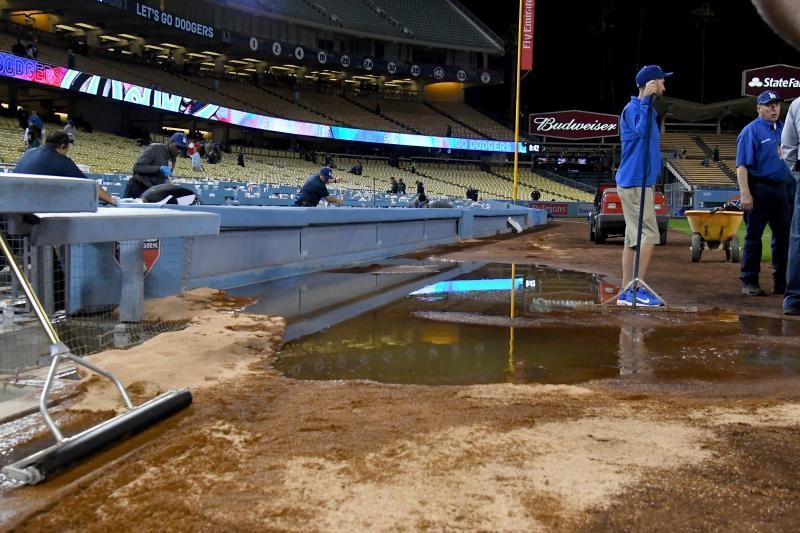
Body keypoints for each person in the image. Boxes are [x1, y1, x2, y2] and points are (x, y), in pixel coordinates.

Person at [614, 64, 671, 307]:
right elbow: (640, 131)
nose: (664, 86)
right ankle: (636, 289)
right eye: (661, 81)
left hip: (637, 182)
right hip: (635, 182)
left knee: (632, 239)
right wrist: (646, 101)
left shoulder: (644, 110)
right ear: (650, 84)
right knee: (649, 234)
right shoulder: (636, 108)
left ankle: (627, 291)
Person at [736, 90, 793, 296]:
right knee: (753, 237)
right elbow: (742, 166)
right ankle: (749, 281)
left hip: (783, 190)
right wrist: (745, 193)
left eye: (776, 104)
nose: (774, 108)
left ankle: (782, 283)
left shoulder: (785, 129)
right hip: (759, 188)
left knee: (784, 238)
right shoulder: (751, 130)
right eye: (769, 105)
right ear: (758, 108)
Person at [14, 131, 117, 205]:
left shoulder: (29, 152)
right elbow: (89, 186)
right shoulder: (60, 160)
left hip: (12, 204)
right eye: (67, 149)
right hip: (31, 209)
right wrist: (112, 200)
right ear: (62, 146)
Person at [780, 95, 800, 314]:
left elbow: (787, 147)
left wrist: (797, 174)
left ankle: (794, 300)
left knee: (798, 237)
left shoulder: (796, 104)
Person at [124, 132, 188, 198]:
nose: (179, 151)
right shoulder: (155, 148)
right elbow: (137, 167)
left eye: (182, 149)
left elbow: (164, 178)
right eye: (178, 147)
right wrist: (159, 168)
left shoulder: (173, 158)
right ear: (171, 142)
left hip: (152, 191)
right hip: (138, 187)